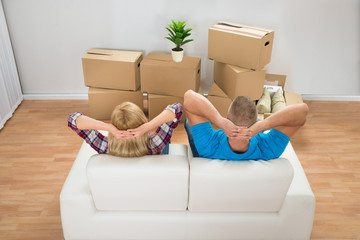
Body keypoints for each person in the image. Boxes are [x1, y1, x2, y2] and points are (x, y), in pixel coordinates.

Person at [183, 90, 308, 160]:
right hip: (255, 138)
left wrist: (219, 121)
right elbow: (302, 111)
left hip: (210, 152)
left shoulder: (208, 145)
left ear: (228, 119)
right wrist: (263, 125)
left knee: (189, 122)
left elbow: (189, 96)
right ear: (255, 123)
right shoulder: (268, 149)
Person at [68, 102, 183, 157]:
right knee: (167, 138)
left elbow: (73, 119)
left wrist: (108, 127)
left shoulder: (104, 146)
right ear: (142, 121)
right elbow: (177, 108)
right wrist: (148, 126)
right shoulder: (157, 143)